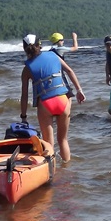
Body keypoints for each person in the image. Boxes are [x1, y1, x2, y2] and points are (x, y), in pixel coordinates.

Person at [20, 33, 86, 162]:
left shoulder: (27, 68)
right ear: (40, 45)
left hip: (46, 104)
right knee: (63, 140)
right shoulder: (53, 55)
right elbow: (70, 71)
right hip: (63, 100)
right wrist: (79, 90)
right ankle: (67, 170)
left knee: (48, 145)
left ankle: (52, 175)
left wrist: (23, 117)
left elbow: (24, 95)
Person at [50, 31, 79, 97]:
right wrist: (74, 38)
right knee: (68, 92)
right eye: (62, 40)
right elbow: (75, 48)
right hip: (60, 73)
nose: (63, 41)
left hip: (53, 74)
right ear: (59, 41)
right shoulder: (60, 49)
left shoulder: (51, 49)